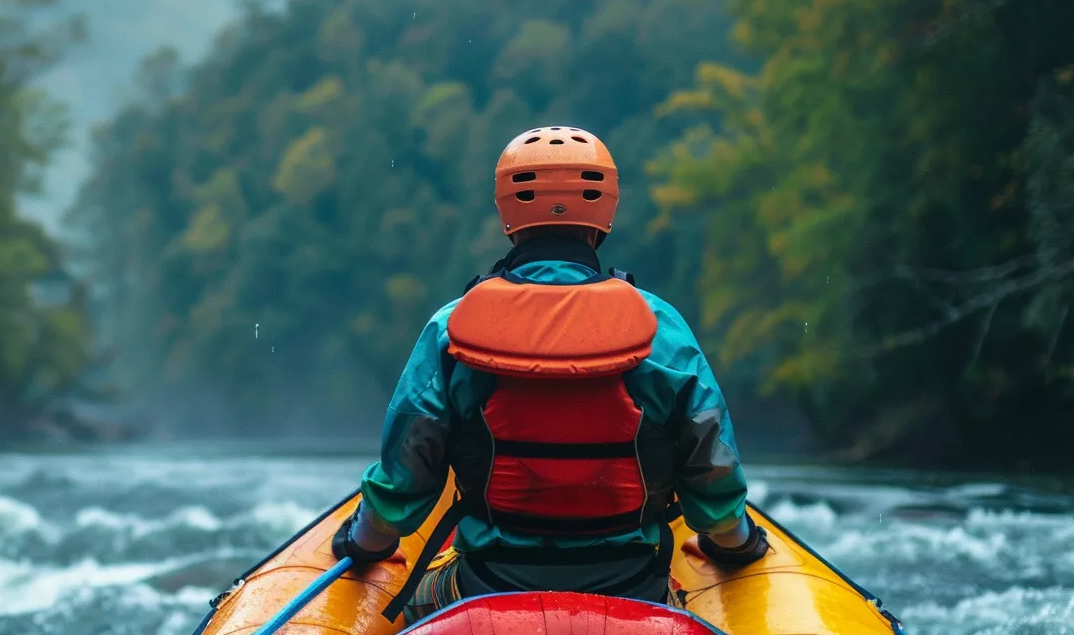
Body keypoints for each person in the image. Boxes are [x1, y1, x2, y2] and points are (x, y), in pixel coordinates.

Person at [329, 126, 768, 622]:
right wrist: (734, 543)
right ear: (606, 214)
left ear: (507, 215)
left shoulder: (452, 327)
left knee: (410, 602)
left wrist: (365, 544)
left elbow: (407, 474)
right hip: (636, 593)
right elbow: (710, 465)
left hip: (485, 586)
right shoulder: (661, 329)